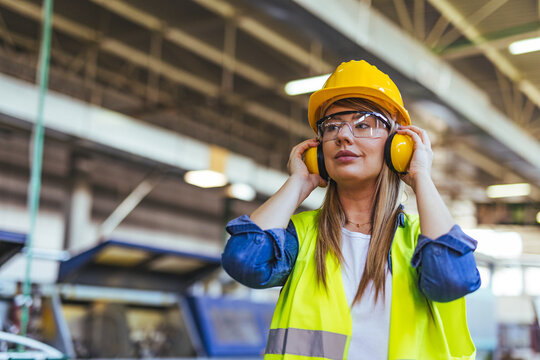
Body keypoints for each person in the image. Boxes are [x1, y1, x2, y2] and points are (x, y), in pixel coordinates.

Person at [222, 60, 481, 360]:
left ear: (397, 144)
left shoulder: (418, 242)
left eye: (363, 124)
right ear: (319, 150)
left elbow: (452, 279)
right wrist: (298, 182)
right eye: (331, 126)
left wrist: (421, 176)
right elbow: (244, 260)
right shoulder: (303, 237)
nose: (343, 136)